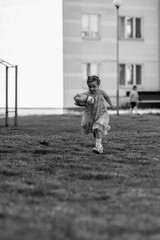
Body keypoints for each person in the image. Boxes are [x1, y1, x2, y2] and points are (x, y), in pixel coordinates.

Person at [74, 75, 116, 154]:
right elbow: (78, 100)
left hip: (102, 113)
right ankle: (99, 143)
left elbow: (106, 97)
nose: (92, 88)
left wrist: (111, 105)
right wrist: (79, 101)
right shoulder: (87, 94)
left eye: (94, 86)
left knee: (97, 128)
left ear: (98, 85)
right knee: (95, 131)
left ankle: (99, 147)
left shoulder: (101, 92)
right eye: (90, 87)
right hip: (92, 114)